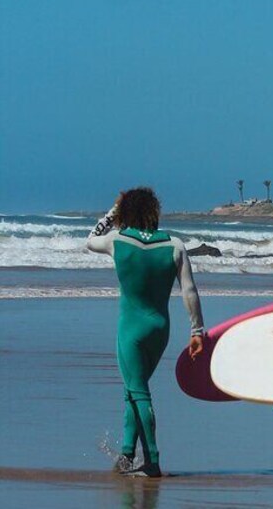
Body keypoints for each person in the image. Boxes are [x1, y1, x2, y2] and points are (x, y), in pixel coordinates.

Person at [86, 188, 205, 478]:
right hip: (160, 329)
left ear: (126, 213)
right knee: (133, 389)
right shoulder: (175, 245)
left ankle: (152, 461)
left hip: (131, 330)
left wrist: (112, 212)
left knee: (138, 392)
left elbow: (90, 241)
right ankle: (127, 455)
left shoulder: (117, 240)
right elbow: (189, 290)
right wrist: (197, 330)